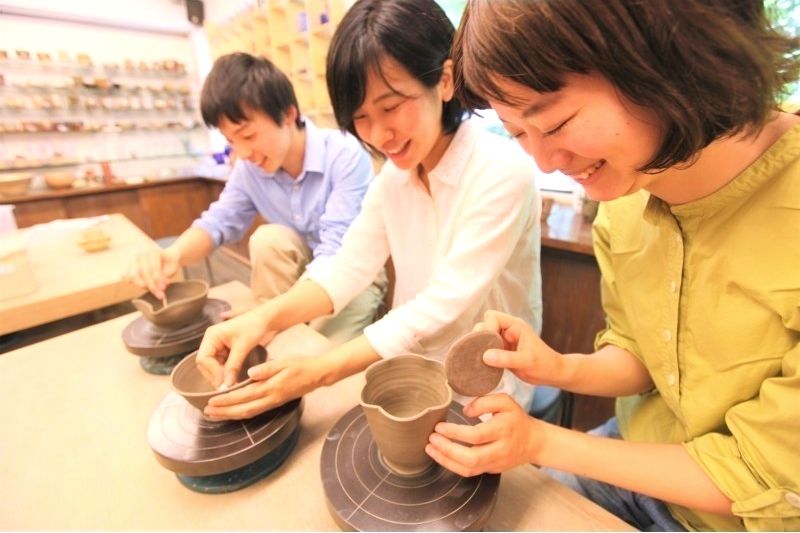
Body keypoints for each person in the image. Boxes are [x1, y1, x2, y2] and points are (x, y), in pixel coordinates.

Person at [425, 0, 800, 530]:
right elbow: (640, 354)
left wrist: (539, 440)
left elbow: (764, 473)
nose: (544, 161)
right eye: (517, 134)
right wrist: (557, 367)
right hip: (630, 461)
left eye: (555, 123)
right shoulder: (623, 195)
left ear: (666, 51)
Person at [194, 0, 542, 420]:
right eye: (361, 117)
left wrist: (319, 371)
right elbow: (347, 268)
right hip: (414, 372)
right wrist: (263, 318)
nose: (379, 135)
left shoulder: (500, 170)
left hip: (488, 384)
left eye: (392, 106)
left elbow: (445, 307)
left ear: (445, 80)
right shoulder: (394, 180)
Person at [127, 52, 384, 345]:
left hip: (352, 274)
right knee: (269, 239)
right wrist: (172, 255)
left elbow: (338, 252)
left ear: (288, 114)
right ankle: (272, 331)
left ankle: (277, 328)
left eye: (247, 136)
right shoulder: (249, 168)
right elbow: (218, 221)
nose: (243, 152)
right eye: (232, 141)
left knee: (314, 354)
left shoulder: (344, 153)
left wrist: (272, 315)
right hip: (302, 275)